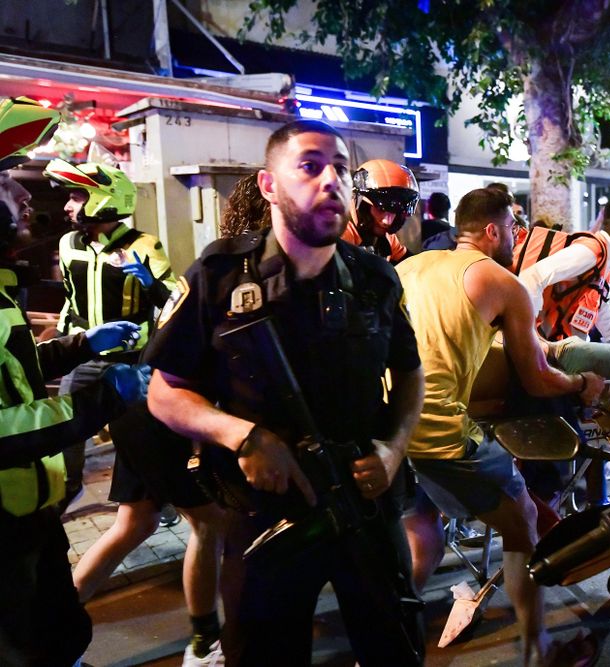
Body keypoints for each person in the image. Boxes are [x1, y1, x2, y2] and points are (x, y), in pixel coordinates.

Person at [145, 119, 426, 665]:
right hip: (267, 517)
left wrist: (393, 452)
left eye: (341, 169)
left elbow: (412, 375)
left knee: (395, 649)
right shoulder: (220, 276)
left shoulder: (376, 278)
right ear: (269, 185)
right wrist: (244, 437)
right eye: (310, 166)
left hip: (364, 508)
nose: (331, 181)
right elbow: (164, 392)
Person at [396, 187, 604, 665]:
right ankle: (539, 651)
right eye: (513, 227)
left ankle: (386, 641)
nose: (517, 236)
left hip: (390, 429)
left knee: (421, 530)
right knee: (522, 522)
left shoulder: (408, 268)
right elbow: (536, 377)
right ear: (492, 230)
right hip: (438, 430)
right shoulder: (502, 282)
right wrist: (581, 384)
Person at [0, 96, 148, 667]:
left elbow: (14, 375)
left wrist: (81, 344)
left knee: (58, 636)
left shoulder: (2, 286)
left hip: (26, 523)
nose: (23, 194)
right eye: (6, 182)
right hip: (4, 537)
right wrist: (97, 401)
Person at [44, 158, 176, 510]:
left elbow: (174, 301)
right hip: (83, 356)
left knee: (138, 437)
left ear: (103, 198)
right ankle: (64, 494)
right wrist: (61, 342)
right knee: (66, 431)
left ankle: (153, 501)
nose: (69, 205)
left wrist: (149, 283)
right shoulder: (68, 242)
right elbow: (71, 297)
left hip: (131, 359)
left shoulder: (144, 244)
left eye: (76, 195)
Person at [515, 195, 610, 343]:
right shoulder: (590, 252)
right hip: (542, 348)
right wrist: (529, 338)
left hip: (556, 348)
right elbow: (531, 277)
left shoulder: (602, 262)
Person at [342, 158, 417, 264]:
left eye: (394, 211)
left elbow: (411, 262)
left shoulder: (387, 238)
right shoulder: (342, 234)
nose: (387, 221)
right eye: (380, 209)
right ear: (362, 205)